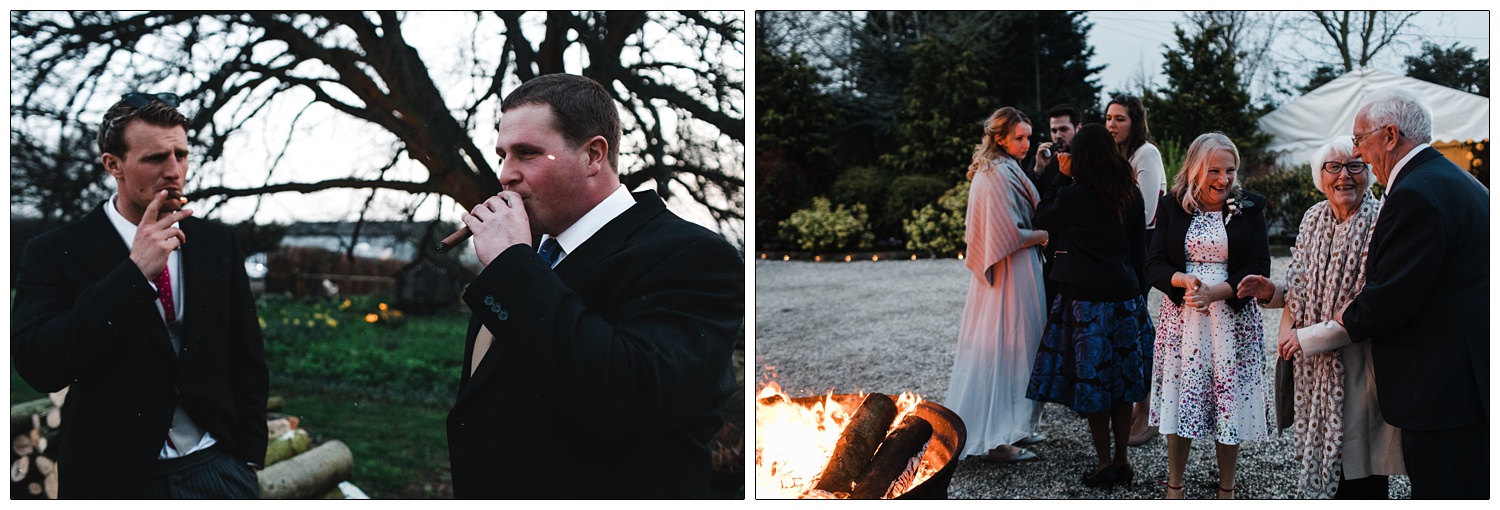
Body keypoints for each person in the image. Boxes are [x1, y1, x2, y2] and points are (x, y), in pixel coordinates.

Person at [446, 73, 744, 498]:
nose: (506, 175)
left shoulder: (690, 255)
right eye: (503, 155)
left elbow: (628, 397)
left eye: (527, 154)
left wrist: (513, 267)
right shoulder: (530, 257)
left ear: (593, 155)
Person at [11, 92, 267, 498]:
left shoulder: (217, 243)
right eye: (154, 159)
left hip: (216, 466)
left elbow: (247, 355)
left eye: (181, 155)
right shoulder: (54, 251)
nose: (174, 171)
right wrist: (132, 275)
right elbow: (40, 365)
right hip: (112, 476)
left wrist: (249, 456)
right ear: (113, 165)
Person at [1330, 87, 1485, 499]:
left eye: (1359, 139)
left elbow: (1394, 295)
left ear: (1391, 135)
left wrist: (1346, 317)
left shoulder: (1416, 192)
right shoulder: (1453, 179)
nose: (1358, 153)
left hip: (1442, 388)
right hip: (1465, 379)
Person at [1235, 139, 1403, 499]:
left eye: (1354, 166)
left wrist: (1307, 339)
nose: (1345, 176)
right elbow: (1302, 287)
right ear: (1320, 177)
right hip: (1315, 376)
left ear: (1368, 173)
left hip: (1361, 367)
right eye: (1333, 167)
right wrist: (1270, 290)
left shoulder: (1382, 221)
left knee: (1362, 475)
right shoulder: (1313, 218)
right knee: (1328, 470)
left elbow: (1371, 302)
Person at [1026, 124, 1153, 488]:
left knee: (1095, 385)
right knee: (1123, 385)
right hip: (1125, 300)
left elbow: (1041, 218)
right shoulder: (1129, 194)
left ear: (1079, 158)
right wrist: (1137, 299)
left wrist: (1061, 179)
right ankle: (1123, 461)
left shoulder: (1072, 195)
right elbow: (1139, 253)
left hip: (1084, 304)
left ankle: (1103, 464)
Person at [1146, 132, 1272, 499]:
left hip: (1232, 318)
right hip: (1183, 317)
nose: (1223, 180)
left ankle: (1227, 489)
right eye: (1214, 171)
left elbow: (1258, 264)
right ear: (1195, 169)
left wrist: (1215, 293)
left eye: (1230, 171)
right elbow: (1152, 264)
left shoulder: (1250, 206)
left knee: (1228, 398)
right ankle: (1175, 485)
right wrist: (1182, 280)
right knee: (1179, 396)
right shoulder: (1173, 206)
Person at [946, 106, 1049, 463]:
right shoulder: (994, 173)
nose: (1025, 142)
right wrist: (1042, 235)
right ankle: (995, 437)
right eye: (1018, 137)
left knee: (1024, 346)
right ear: (1000, 138)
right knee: (1006, 349)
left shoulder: (1002, 168)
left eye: (1028, 136)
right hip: (1008, 271)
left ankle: (1016, 425)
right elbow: (1005, 233)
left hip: (1018, 268)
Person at [1104, 94, 1169, 446]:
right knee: (1125, 332)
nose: (1112, 124)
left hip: (1139, 250)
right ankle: (1135, 407)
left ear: (1135, 121)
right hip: (1118, 252)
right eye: (1109, 118)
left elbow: (1144, 212)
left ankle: (1148, 412)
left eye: (1120, 119)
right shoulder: (1115, 156)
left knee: (1137, 331)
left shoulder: (1147, 154)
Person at [1031, 103, 1084, 305]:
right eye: (1053, 130)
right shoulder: (1046, 160)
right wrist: (1037, 169)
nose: (1057, 135)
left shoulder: (1087, 159)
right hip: (1051, 246)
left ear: (1077, 128)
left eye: (1063, 129)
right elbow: (1033, 200)